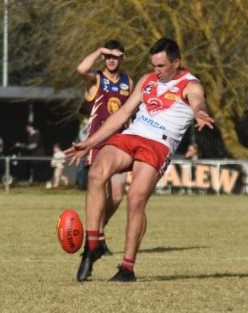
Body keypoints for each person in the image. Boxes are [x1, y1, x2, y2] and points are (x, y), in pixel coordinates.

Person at [64, 37, 214, 282]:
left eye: (162, 66)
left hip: (158, 144)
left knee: (135, 199)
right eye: (154, 65)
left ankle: (127, 269)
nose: (156, 70)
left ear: (177, 62)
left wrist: (199, 112)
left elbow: (198, 100)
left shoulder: (190, 84)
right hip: (132, 134)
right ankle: (92, 246)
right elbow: (123, 113)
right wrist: (89, 143)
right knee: (96, 173)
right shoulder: (147, 80)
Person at [76, 39, 134, 256]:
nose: (111, 60)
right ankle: (95, 239)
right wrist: (99, 49)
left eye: (116, 56)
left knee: (117, 196)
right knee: (100, 190)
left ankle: (98, 232)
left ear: (123, 58)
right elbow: (81, 69)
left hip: (119, 143)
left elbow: (129, 113)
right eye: (108, 56)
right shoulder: (96, 79)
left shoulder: (128, 82)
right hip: (97, 143)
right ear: (103, 58)